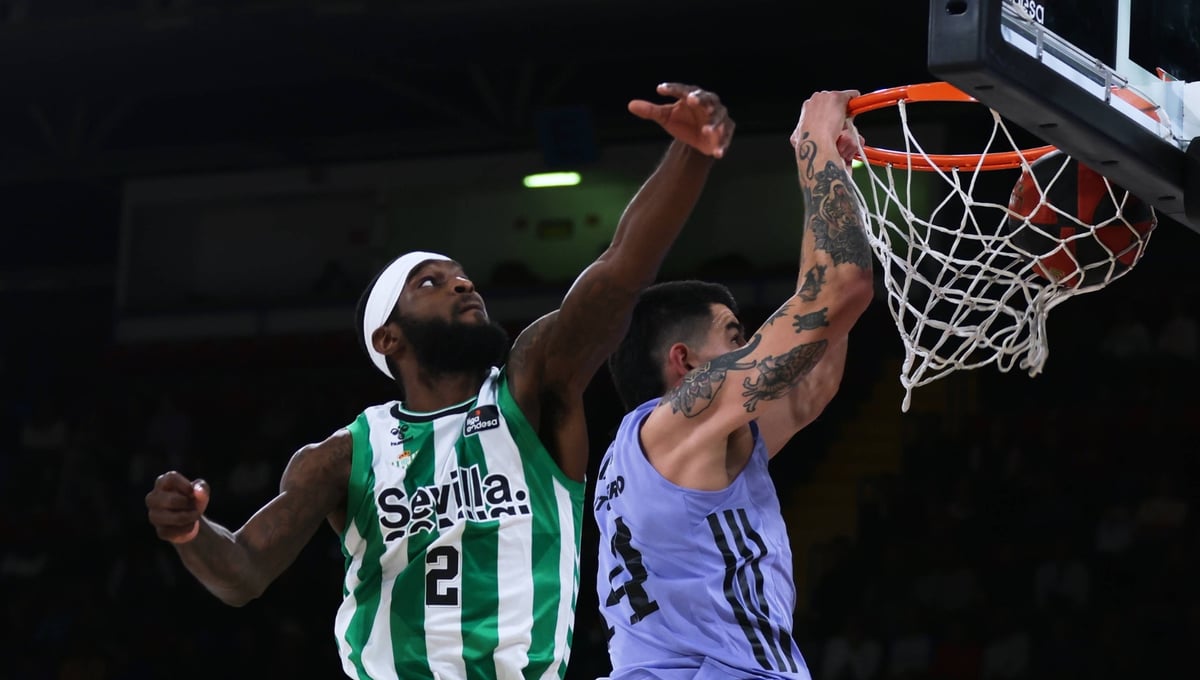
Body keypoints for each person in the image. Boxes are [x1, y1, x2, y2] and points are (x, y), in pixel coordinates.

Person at [145, 81, 735, 679]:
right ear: (389, 338)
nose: (462, 284)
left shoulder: (532, 391)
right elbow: (244, 571)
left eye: (461, 276)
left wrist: (690, 154)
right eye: (430, 282)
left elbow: (620, 271)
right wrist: (192, 530)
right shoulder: (342, 458)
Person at [595, 89, 874, 679]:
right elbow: (839, 291)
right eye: (734, 335)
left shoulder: (663, 449)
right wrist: (812, 143)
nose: (751, 349)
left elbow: (812, 377)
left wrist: (839, 171)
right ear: (685, 362)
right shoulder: (683, 417)